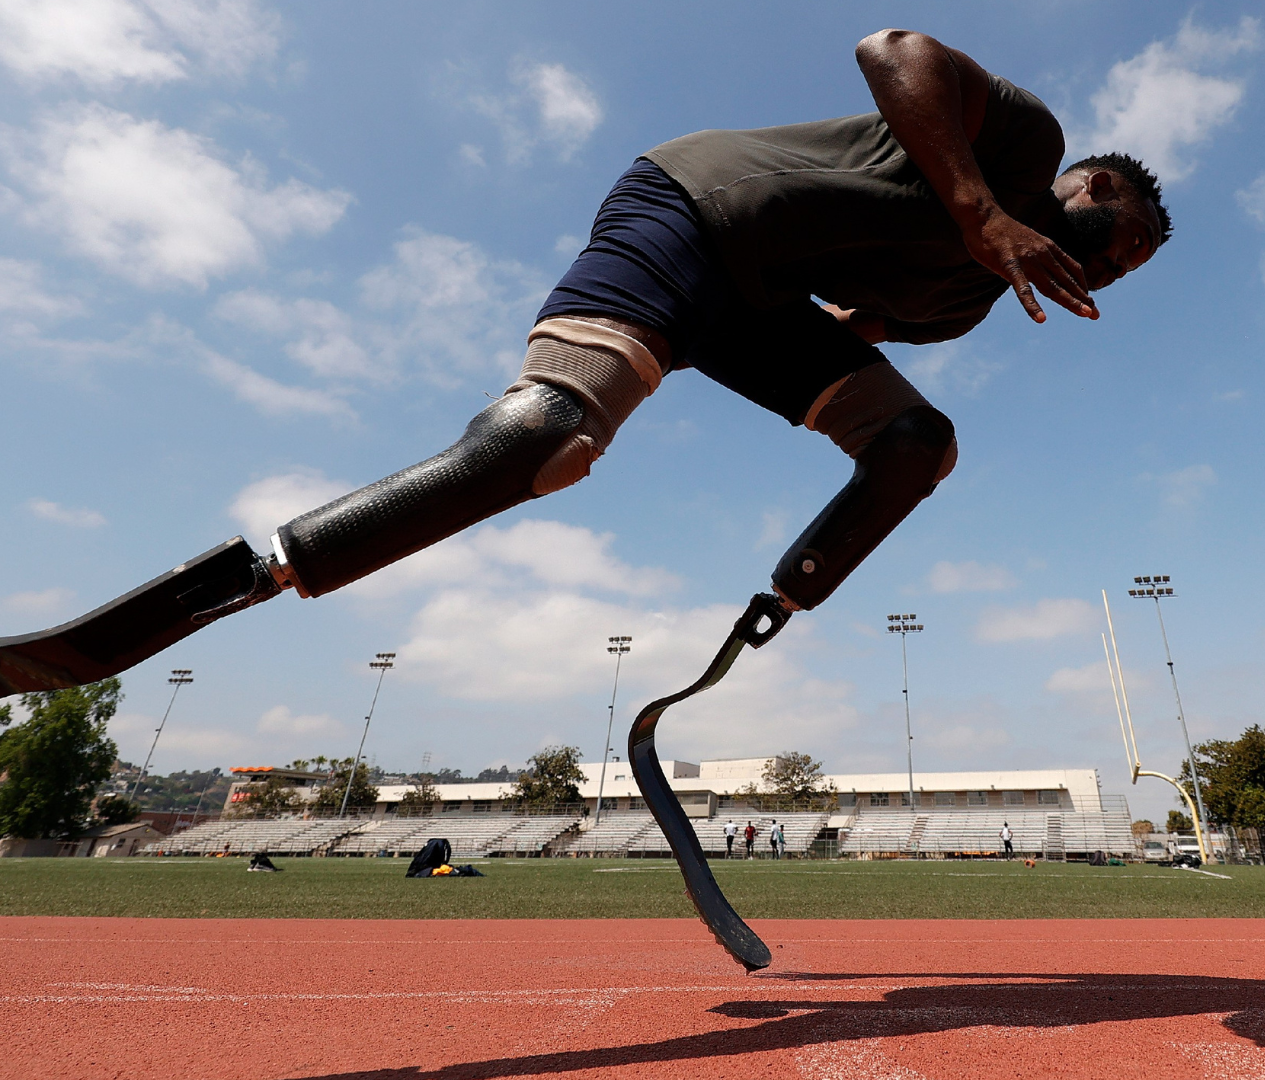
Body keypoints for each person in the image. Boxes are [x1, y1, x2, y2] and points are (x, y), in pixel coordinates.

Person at [262, 30, 1169, 643]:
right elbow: (893, 49)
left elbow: (852, 333)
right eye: (1124, 245)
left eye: (1129, 276)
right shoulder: (1025, 144)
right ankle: (271, 571)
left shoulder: (968, 305)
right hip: (694, 211)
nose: (1116, 272)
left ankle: (784, 596)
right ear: (1088, 186)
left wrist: (857, 347)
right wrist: (977, 208)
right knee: (545, 441)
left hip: (754, 305)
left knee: (916, 443)